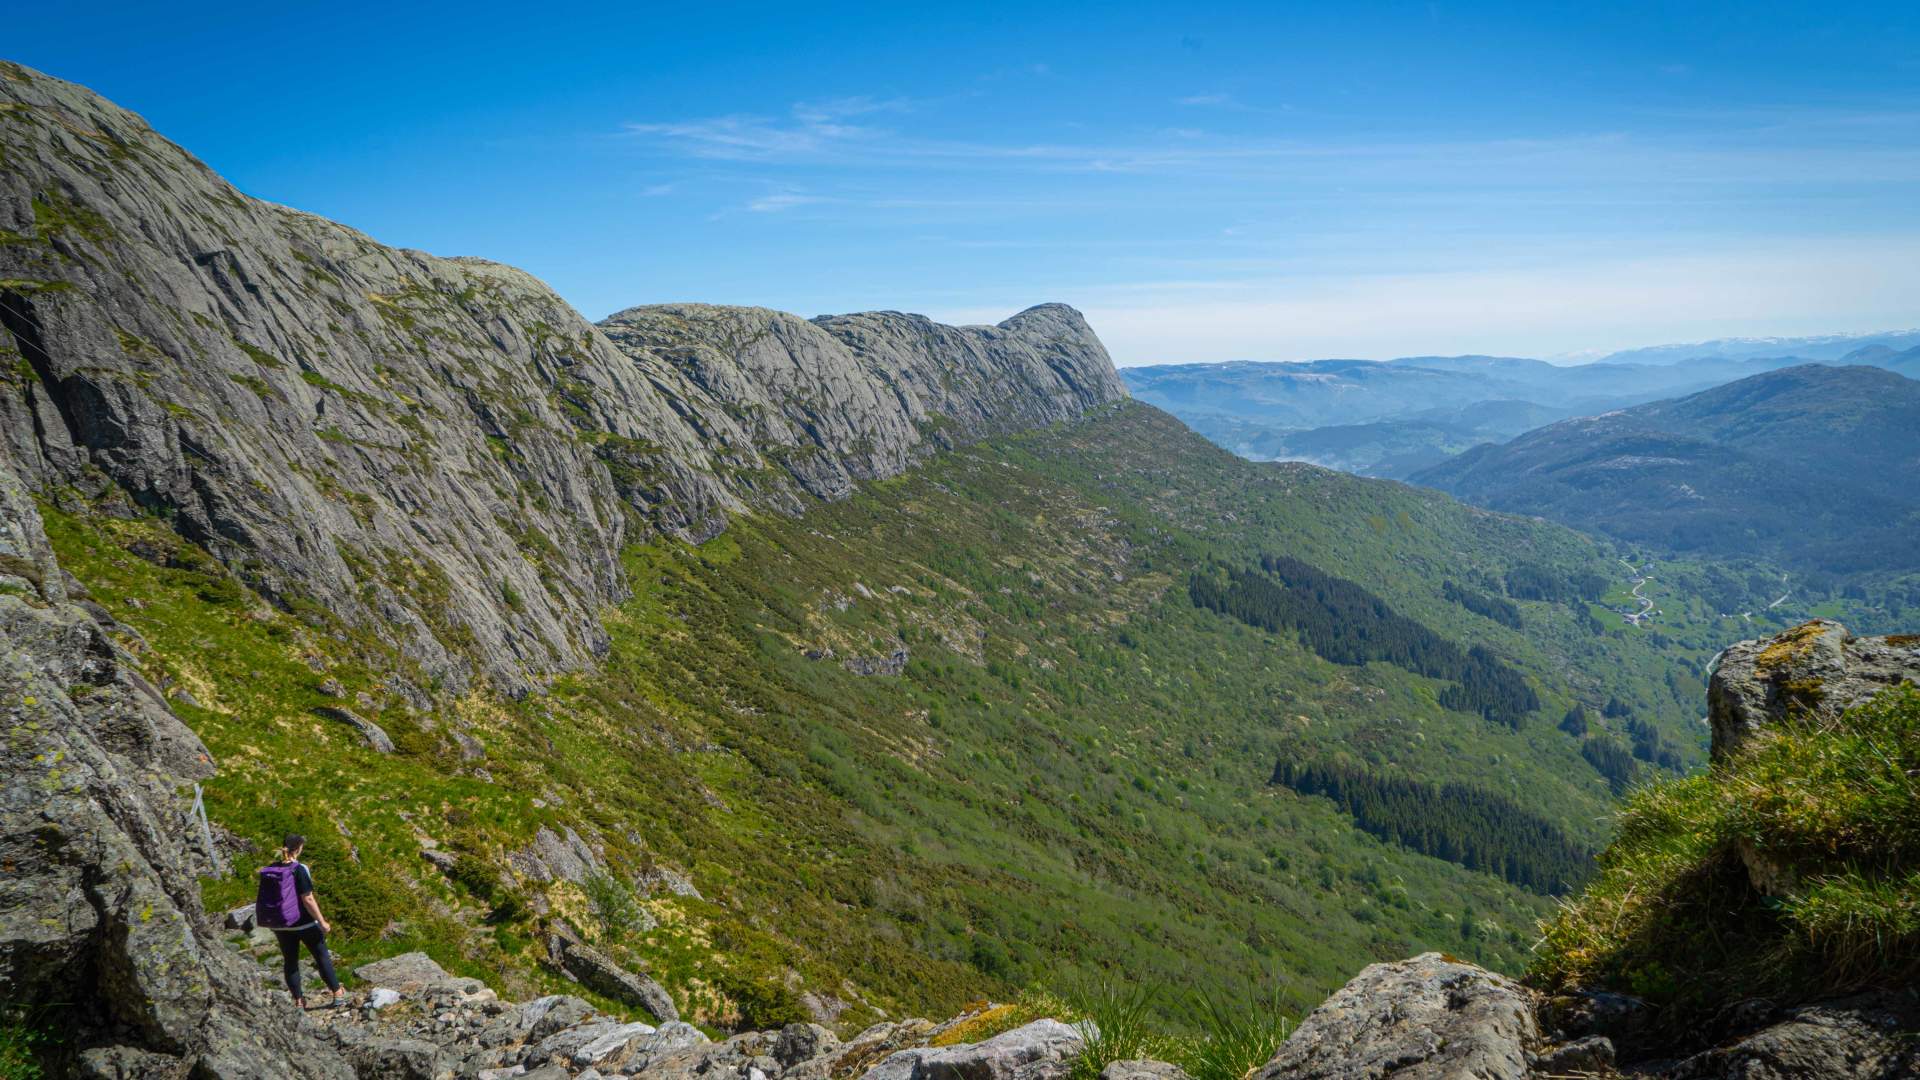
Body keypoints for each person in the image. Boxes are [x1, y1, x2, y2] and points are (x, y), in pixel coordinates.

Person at [256, 833, 345, 1009]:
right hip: (304, 922)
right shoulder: (299, 869)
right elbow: (308, 898)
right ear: (298, 849)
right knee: (321, 956)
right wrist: (322, 921)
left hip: (281, 924)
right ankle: (337, 993)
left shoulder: (272, 869)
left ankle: (298, 1000)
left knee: (290, 961)